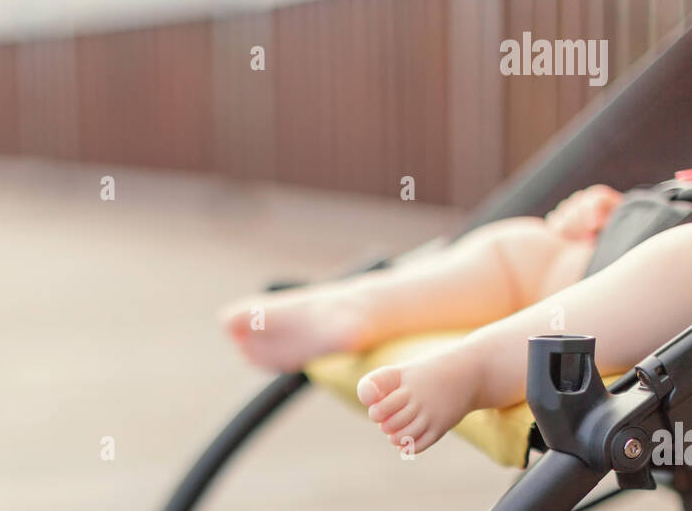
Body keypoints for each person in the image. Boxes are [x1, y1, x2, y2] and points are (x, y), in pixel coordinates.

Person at [221, 184, 692, 454]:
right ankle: (356, 306)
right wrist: (611, 211)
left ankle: (478, 369)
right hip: (634, 246)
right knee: (521, 250)